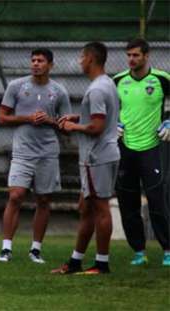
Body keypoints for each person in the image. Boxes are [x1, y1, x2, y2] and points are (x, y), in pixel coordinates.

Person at [0, 48, 71, 264]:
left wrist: (49, 120)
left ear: (50, 65)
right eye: (33, 60)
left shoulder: (59, 91)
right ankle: (6, 248)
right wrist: (28, 118)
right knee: (16, 195)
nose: (36, 64)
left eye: (41, 60)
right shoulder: (17, 86)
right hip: (22, 151)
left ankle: (36, 249)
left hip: (48, 152)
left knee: (44, 199)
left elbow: (67, 126)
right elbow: (2, 118)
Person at [53, 42, 120, 275]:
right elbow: (97, 117)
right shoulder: (107, 83)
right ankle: (75, 262)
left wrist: (73, 126)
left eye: (82, 57)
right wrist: (78, 116)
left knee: (100, 208)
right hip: (102, 154)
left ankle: (101, 264)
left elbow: (97, 126)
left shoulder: (97, 89)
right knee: (86, 207)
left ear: (91, 59)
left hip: (97, 156)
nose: (80, 61)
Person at [112, 38, 170, 267]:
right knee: (128, 202)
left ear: (146, 56)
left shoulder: (161, 79)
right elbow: (108, 108)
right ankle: (139, 251)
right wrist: (113, 124)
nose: (131, 59)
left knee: (157, 201)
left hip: (152, 148)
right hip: (125, 148)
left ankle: (167, 249)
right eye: (128, 55)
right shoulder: (118, 80)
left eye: (136, 55)